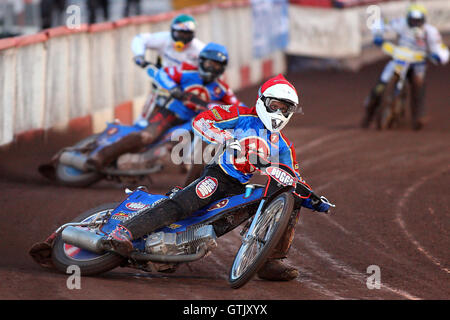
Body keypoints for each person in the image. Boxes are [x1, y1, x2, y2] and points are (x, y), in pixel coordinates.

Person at [101, 74, 332, 281]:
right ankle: (125, 231)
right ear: (262, 101)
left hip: (240, 187)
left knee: (286, 199)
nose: (280, 113)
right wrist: (224, 137)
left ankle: (269, 260)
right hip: (219, 175)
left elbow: (293, 176)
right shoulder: (241, 115)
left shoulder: (283, 145)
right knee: (187, 202)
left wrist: (313, 199)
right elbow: (202, 121)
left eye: (286, 109)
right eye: (275, 105)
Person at [86, 42, 243, 172]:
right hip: (169, 112)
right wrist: (173, 87)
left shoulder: (222, 89)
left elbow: (239, 107)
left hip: (191, 122)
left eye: (216, 65)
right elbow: (162, 74)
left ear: (222, 68)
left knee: (179, 143)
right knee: (146, 136)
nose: (212, 68)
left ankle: (181, 169)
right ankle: (100, 156)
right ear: (201, 61)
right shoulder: (187, 71)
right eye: (209, 63)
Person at [361, 3, 449, 130]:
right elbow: (381, 24)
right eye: (412, 20)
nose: (414, 23)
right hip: (399, 59)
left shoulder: (430, 32)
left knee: (418, 84)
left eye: (417, 20)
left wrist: (439, 57)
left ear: (423, 20)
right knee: (382, 82)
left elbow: (440, 49)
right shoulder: (400, 23)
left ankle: (418, 116)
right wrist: (378, 35)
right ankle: (370, 107)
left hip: (417, 63)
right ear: (408, 18)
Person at [131, 13, 205, 68]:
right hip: (163, 79)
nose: (182, 38)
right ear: (172, 31)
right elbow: (140, 39)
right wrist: (139, 55)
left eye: (186, 34)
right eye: (179, 34)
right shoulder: (165, 38)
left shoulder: (200, 49)